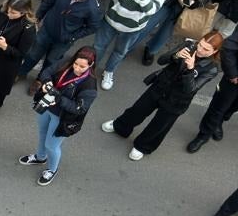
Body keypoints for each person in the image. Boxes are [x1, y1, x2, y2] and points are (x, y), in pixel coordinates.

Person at [101, 32, 223, 159]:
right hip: (161, 85)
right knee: (138, 109)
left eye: (206, 49)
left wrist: (191, 68)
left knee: (159, 125)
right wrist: (175, 56)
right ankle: (120, 126)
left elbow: (190, 89)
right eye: (201, 45)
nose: (200, 50)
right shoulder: (189, 45)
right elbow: (161, 60)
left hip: (177, 100)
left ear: (214, 51)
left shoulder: (211, 68)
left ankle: (142, 146)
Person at [21, 46, 97, 185]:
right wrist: (46, 82)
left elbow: (79, 108)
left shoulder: (90, 86)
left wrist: (59, 99)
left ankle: (52, 170)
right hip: (46, 107)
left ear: (90, 65)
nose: (77, 68)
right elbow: (47, 72)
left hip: (63, 118)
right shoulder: (66, 62)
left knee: (52, 145)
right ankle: (40, 157)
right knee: (42, 134)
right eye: (76, 64)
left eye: (82, 66)